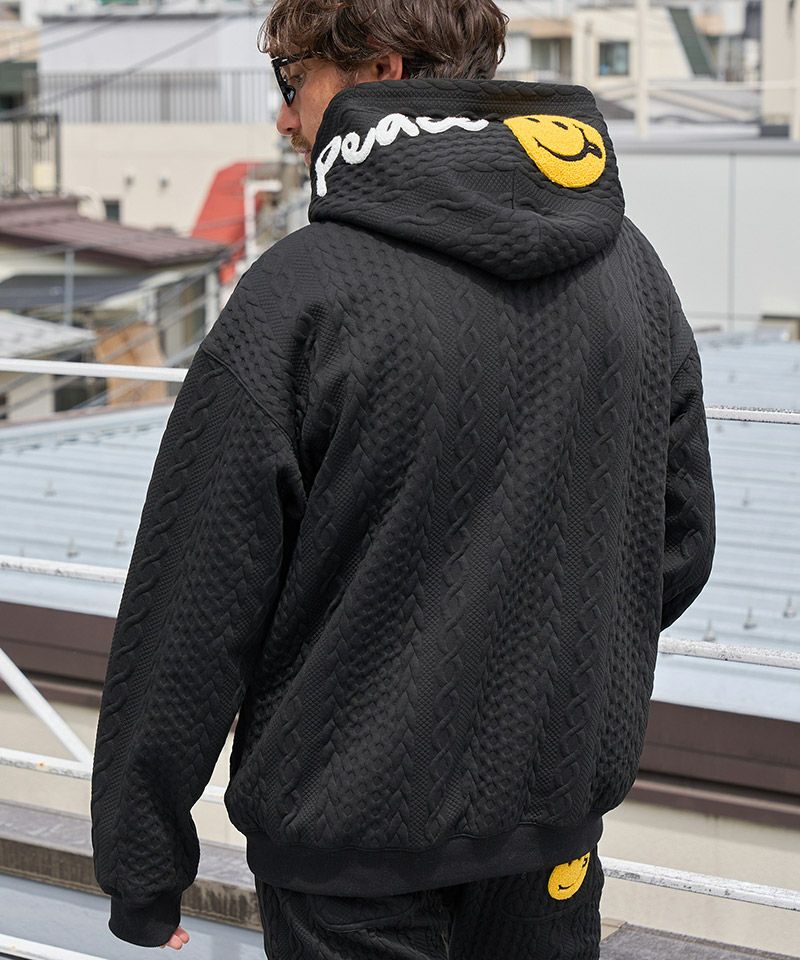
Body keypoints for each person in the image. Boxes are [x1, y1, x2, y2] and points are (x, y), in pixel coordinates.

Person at [89, 0, 717, 957]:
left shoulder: (304, 290)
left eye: (291, 83)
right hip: (548, 833)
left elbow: (195, 601)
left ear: (378, 70)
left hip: (348, 856)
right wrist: (538, 672)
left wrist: (144, 865)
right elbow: (678, 541)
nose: (284, 118)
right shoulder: (632, 271)